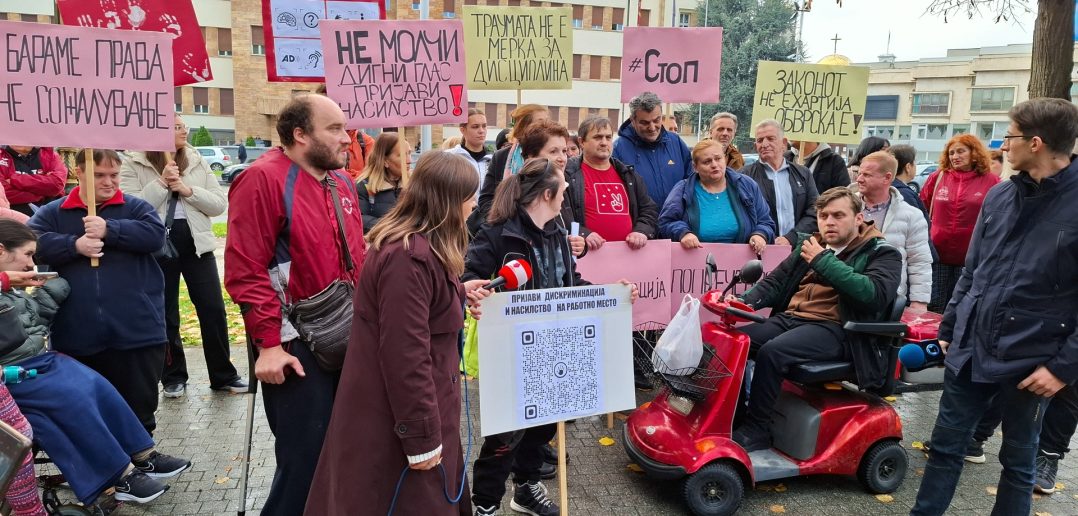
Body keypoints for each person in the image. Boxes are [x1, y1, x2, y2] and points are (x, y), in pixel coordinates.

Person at [910, 97, 1078, 516]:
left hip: (1034, 360)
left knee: (1018, 463)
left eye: (1010, 135)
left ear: (1035, 143)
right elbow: (973, 271)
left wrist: (1062, 368)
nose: (1003, 144)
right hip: (970, 348)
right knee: (946, 448)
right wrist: (950, 328)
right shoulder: (1000, 197)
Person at [306, 151, 490, 515]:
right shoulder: (407, 256)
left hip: (418, 408)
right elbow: (405, 355)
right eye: (469, 196)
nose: (473, 205)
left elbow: (417, 315)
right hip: (397, 422)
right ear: (448, 201)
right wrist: (421, 437)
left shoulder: (421, 248)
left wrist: (458, 293)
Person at [467, 158, 638, 516]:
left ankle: (526, 488)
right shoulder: (497, 233)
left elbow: (571, 287)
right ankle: (484, 503)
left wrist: (612, 294)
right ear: (547, 194)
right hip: (511, 354)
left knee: (542, 428)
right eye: (562, 191)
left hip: (552, 349)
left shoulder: (559, 234)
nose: (566, 198)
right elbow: (471, 279)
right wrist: (477, 294)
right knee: (504, 437)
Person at [224, 93, 366, 516]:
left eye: (345, 127)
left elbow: (356, 259)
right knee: (305, 460)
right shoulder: (262, 179)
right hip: (292, 343)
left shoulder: (341, 182)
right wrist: (269, 344)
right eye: (335, 129)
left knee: (346, 451)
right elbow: (245, 270)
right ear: (300, 135)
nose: (348, 138)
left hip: (347, 334)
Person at [0, 219, 191, 506]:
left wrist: (53, 291)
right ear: (1, 250)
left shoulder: (12, 287)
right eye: (27, 254)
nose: (31, 263)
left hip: (35, 363)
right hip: (12, 376)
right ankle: (120, 476)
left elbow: (29, 324)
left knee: (96, 385)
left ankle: (143, 454)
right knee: (71, 400)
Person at [729, 187, 902, 451]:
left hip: (840, 330)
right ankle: (736, 417)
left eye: (838, 215)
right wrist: (742, 302)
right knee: (734, 342)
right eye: (823, 216)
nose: (829, 222)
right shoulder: (811, 244)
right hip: (794, 319)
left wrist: (822, 260)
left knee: (772, 353)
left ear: (858, 218)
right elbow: (776, 282)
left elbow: (874, 295)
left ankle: (757, 430)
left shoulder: (882, 252)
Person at [28, 149, 167, 434]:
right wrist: (73, 246)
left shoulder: (136, 208)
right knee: (88, 409)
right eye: (99, 175)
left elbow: (155, 237)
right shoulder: (54, 213)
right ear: (78, 173)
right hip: (77, 332)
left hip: (136, 329)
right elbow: (32, 243)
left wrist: (110, 230)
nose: (108, 182)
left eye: (114, 175)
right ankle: (107, 468)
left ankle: (141, 456)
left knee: (139, 405)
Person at [120, 116, 247, 399]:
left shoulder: (195, 157)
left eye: (183, 126)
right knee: (166, 314)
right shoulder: (134, 161)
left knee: (213, 309)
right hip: (157, 245)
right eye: (176, 126)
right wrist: (162, 184)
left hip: (196, 243)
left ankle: (223, 374)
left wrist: (188, 190)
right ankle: (173, 376)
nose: (184, 130)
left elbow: (218, 204)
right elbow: (130, 207)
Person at [919, 134, 999, 313]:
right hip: (937, 254)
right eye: (951, 153)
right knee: (934, 305)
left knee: (961, 307)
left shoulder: (991, 181)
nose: (955, 156)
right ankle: (932, 341)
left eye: (961, 151)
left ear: (974, 153)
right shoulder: (937, 177)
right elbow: (921, 210)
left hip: (970, 257)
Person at [562, 116, 658, 252]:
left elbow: (649, 209)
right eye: (597, 137)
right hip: (586, 258)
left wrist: (641, 230)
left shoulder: (628, 175)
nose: (604, 142)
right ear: (581, 142)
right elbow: (560, 214)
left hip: (628, 256)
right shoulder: (567, 175)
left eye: (608, 137)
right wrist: (583, 233)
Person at [659, 140, 775, 251]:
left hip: (741, 264)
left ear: (724, 159)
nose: (714, 165)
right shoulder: (683, 189)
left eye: (718, 158)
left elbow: (765, 221)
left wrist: (760, 235)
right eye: (707, 161)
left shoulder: (746, 185)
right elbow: (666, 222)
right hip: (695, 263)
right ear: (695, 167)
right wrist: (683, 233)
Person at [852, 151, 931, 311]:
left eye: (867, 175)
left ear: (887, 178)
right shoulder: (846, 207)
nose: (859, 179)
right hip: (845, 293)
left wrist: (919, 302)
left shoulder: (911, 215)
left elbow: (919, 261)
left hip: (886, 299)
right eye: (859, 173)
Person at [739, 119, 819, 246]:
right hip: (760, 250)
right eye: (760, 140)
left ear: (784, 143)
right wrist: (762, 235)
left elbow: (814, 211)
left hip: (798, 251)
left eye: (770, 138)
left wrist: (791, 238)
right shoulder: (743, 177)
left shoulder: (803, 174)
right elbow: (741, 217)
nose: (764, 144)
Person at [471, 105, 550, 230]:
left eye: (547, 122)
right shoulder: (501, 156)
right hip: (503, 230)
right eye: (541, 123)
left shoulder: (550, 157)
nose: (547, 127)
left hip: (541, 230)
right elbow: (486, 199)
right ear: (524, 126)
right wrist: (499, 222)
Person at [612, 92, 693, 207]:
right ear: (633, 120)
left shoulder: (676, 142)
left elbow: (691, 180)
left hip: (676, 221)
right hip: (639, 223)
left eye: (656, 120)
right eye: (644, 123)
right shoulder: (618, 149)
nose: (652, 127)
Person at [358, 132, 411, 234]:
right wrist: (393, 228)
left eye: (409, 153)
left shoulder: (414, 184)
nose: (409, 160)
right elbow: (360, 219)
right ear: (385, 160)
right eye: (401, 155)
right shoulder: (364, 186)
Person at [0, 146, 68, 216]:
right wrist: (44, 194)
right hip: (12, 220)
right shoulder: (1, 156)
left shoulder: (50, 155)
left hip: (50, 218)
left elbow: (56, 184)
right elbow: (4, 193)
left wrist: (14, 180)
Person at [447, 108, 492, 196]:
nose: (481, 131)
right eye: (475, 127)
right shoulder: (449, 157)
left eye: (484, 126)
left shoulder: (494, 159)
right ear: (462, 130)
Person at [887, 144, 929, 218]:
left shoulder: (886, 187)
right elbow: (917, 223)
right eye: (914, 162)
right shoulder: (904, 195)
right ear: (908, 167)